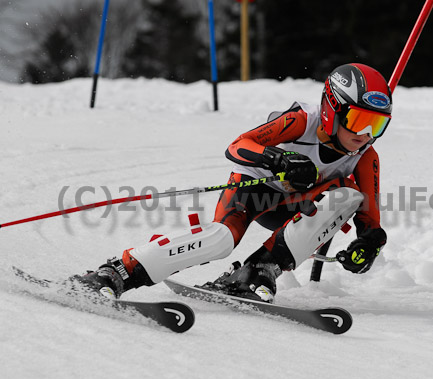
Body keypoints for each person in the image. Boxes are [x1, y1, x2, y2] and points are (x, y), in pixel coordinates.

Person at [74, 63, 392, 303]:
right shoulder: (302, 121)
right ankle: (118, 271)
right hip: (253, 189)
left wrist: (367, 245)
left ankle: (256, 272)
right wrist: (280, 160)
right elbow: (239, 146)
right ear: (332, 109)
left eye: (376, 125)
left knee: (348, 195)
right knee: (221, 240)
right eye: (359, 120)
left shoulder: (366, 156)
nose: (365, 135)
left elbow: (370, 220)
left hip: (294, 208)